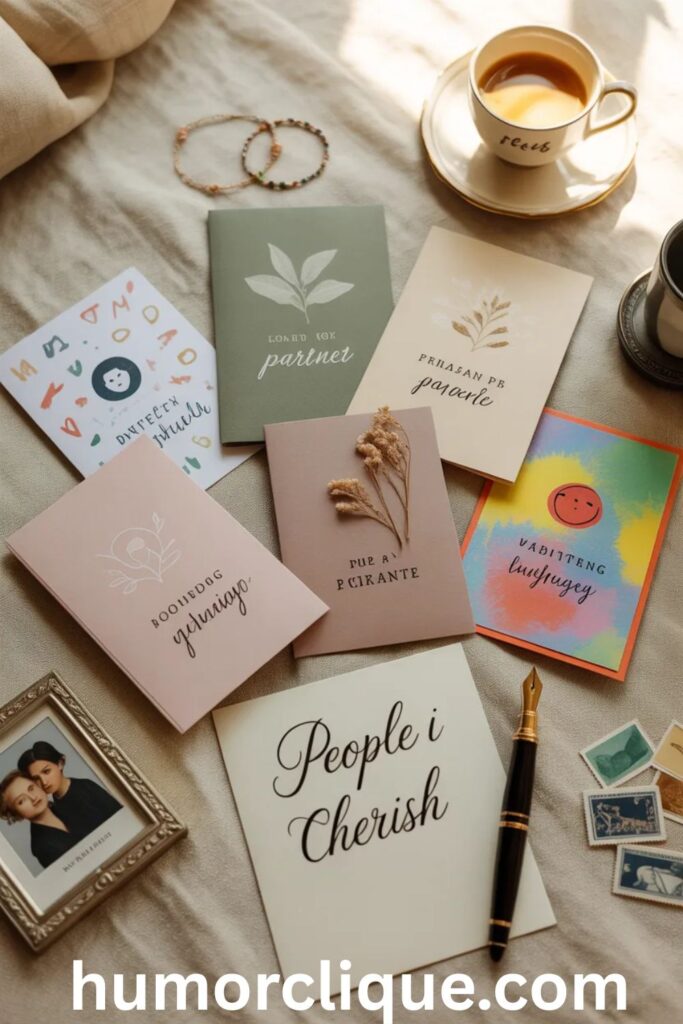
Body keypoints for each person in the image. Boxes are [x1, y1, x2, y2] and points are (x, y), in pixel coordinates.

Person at [18, 741, 122, 841]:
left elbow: (120, 818)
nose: (44, 782)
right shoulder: (52, 808)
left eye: (46, 771)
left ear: (60, 763)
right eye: (36, 778)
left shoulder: (86, 787)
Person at [0, 770, 77, 869]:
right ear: (16, 813)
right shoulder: (42, 847)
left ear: (38, 785)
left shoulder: (68, 805)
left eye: (31, 788)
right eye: (21, 801)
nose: (33, 798)